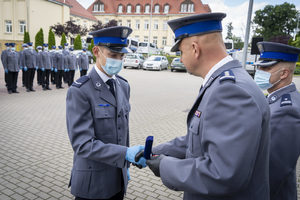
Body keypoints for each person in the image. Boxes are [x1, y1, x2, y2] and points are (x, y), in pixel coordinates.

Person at [143, 13, 271, 200]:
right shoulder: (224, 82)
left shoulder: (230, 91)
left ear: (195, 48)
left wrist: (165, 166)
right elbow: (200, 139)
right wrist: (158, 151)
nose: (180, 58)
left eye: (180, 52)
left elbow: (223, 174)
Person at [66, 26, 146, 200]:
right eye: (112, 55)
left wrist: (126, 164)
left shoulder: (123, 85)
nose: (118, 60)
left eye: (121, 56)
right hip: (93, 184)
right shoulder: (81, 91)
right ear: (96, 51)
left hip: (118, 178)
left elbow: (122, 130)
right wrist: (125, 153)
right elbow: (83, 144)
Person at [253, 42, 300, 200]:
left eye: (265, 68)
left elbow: (273, 170)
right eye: (259, 67)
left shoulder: (287, 109)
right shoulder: (274, 98)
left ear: (284, 74)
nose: (259, 72)